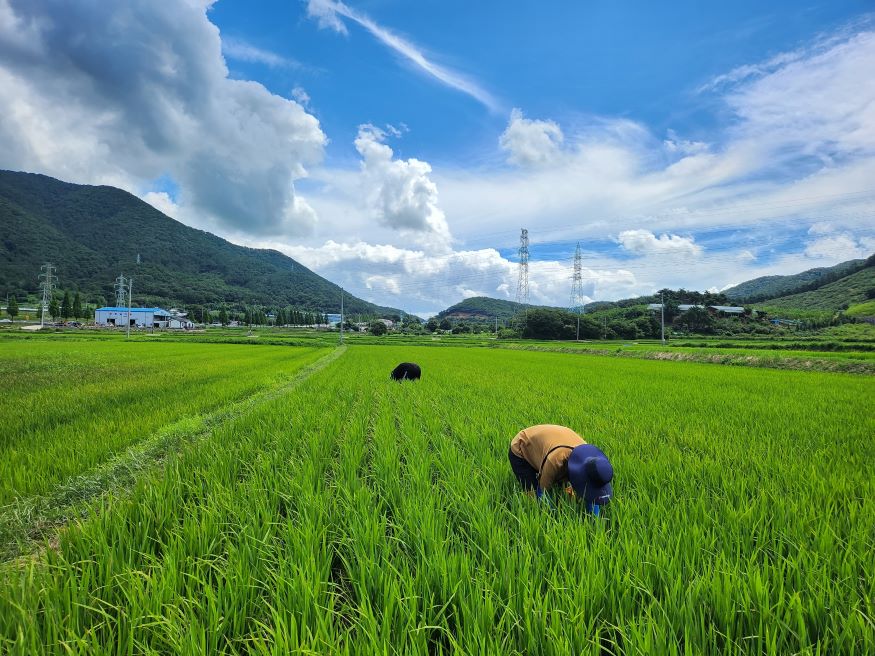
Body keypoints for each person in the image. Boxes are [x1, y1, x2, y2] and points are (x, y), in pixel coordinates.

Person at [509, 424, 613, 514]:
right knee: (533, 493)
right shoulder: (555, 460)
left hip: (551, 444)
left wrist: (595, 519)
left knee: (564, 483)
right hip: (523, 447)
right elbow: (543, 490)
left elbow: (590, 488)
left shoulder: (589, 457)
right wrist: (552, 515)